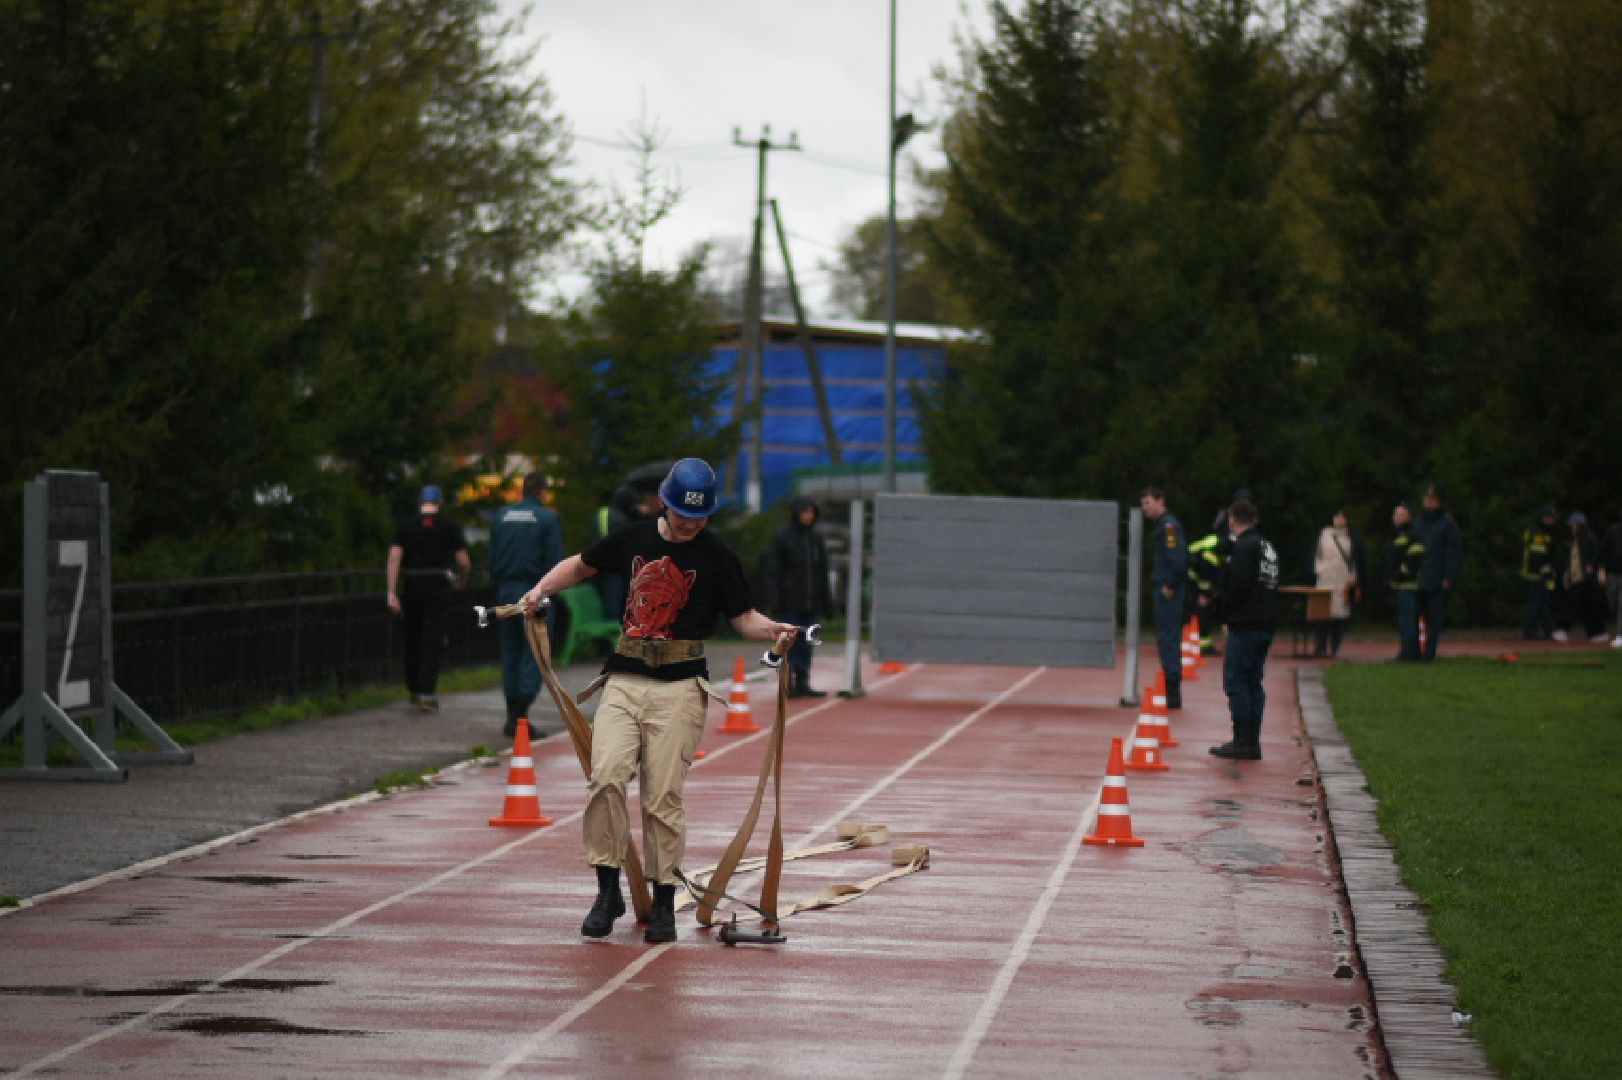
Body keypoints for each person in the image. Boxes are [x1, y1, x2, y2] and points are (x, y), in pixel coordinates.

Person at [518, 458, 798, 945]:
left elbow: (744, 617)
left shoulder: (717, 556)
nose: (691, 524)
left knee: (662, 796)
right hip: (625, 678)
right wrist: (541, 590)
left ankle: (664, 898)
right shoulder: (633, 538)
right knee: (605, 777)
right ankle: (608, 892)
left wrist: (771, 630)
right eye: (683, 514)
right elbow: (580, 565)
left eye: (701, 516)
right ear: (665, 504)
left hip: (681, 686)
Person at [489, 475, 566, 737]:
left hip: (507, 590)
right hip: (536, 591)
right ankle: (521, 714)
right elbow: (556, 562)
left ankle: (512, 713)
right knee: (535, 652)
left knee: (510, 649)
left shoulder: (502, 516)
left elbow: (493, 556)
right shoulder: (547, 519)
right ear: (543, 491)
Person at [386, 485, 470, 710]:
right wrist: (462, 578)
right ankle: (427, 691)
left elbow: (395, 558)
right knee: (433, 639)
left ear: (420, 503)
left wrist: (392, 591)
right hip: (438, 586)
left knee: (412, 637)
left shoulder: (405, 527)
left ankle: (413, 687)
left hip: (412, 586)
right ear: (439, 503)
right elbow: (463, 561)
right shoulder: (450, 527)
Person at [1207, 499, 1278, 760]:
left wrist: (1222, 611)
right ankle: (1252, 740)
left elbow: (1237, 587)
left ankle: (1242, 740)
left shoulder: (1244, 547)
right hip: (1266, 622)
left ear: (1232, 520)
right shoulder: (1266, 545)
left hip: (1246, 623)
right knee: (1253, 682)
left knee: (1236, 681)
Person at [763, 495, 836, 698]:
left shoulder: (815, 540)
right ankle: (788, 680)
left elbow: (822, 571)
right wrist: (774, 599)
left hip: (811, 602)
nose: (808, 516)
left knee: (808, 641)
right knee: (789, 642)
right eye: (805, 512)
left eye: (811, 512)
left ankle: (803, 679)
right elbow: (773, 570)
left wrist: (826, 602)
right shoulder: (783, 537)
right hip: (789, 602)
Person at [1139, 488, 1188, 709]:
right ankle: (1171, 689)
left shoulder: (1168, 526)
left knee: (1168, 637)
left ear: (1161, 501)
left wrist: (1170, 585)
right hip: (1166, 586)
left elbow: (1177, 559)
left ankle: (1173, 692)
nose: (1145, 507)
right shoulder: (1164, 525)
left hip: (1168, 589)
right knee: (1166, 637)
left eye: (1148, 502)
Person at [593, 482, 660, 622]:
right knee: (614, 611)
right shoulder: (618, 517)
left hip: (612, 571)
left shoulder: (611, 514)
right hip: (612, 573)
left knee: (618, 610)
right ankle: (611, 642)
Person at [1412, 484, 1462, 661]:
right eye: (1427, 499)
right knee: (1416, 617)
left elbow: (1453, 551)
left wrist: (1449, 575)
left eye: (1432, 499)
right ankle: (1415, 650)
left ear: (1439, 502)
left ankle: (1429, 652)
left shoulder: (1447, 523)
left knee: (1434, 618)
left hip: (1437, 577)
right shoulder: (1418, 521)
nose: (1429, 502)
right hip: (1417, 577)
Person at [1311, 510, 1364, 658]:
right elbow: (1317, 554)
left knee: (1339, 617)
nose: (1339, 520)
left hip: (1343, 581)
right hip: (1325, 581)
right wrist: (1320, 571)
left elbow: (1355, 560)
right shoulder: (1324, 534)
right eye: (1337, 517)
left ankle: (1335, 647)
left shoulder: (1352, 537)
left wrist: (1354, 578)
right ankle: (1320, 647)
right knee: (1322, 615)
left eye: (1342, 517)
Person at [1552, 511, 1606, 643]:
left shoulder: (1589, 538)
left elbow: (1596, 555)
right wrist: (1567, 576)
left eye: (1573, 525)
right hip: (1577, 578)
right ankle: (1597, 632)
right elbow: (1572, 562)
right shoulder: (1576, 540)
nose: (1571, 527)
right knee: (1586, 608)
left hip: (1585, 579)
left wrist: (1591, 567)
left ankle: (1562, 629)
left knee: (1573, 605)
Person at [1388, 501, 1424, 661]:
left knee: (1408, 621)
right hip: (1397, 585)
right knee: (1403, 622)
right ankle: (1408, 652)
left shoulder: (1413, 534)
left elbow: (1414, 559)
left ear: (1409, 516)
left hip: (1408, 585)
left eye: (1401, 514)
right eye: (1396, 514)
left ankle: (1409, 654)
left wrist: (1399, 573)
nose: (1397, 517)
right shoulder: (1397, 535)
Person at [1519, 506, 1558, 640]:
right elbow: (1538, 556)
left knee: (1542, 604)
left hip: (1535, 575)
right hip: (1534, 576)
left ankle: (1549, 630)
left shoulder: (1541, 531)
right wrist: (1547, 572)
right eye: (1552, 519)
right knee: (1536, 605)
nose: (1554, 521)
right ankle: (1530, 632)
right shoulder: (1539, 533)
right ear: (1545, 519)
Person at [1601, 511, 1622, 648]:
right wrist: (1601, 569)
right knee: (1613, 603)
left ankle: (1620, 635)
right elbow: (1603, 550)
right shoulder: (1613, 530)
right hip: (1613, 573)